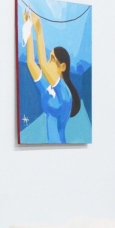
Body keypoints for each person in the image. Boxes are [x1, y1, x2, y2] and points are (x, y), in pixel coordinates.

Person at [23, 10, 81, 143]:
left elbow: (43, 64)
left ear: (63, 67)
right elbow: (31, 62)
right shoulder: (48, 89)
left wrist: (39, 30)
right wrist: (28, 27)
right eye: (49, 58)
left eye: (52, 59)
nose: (48, 62)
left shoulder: (65, 94)